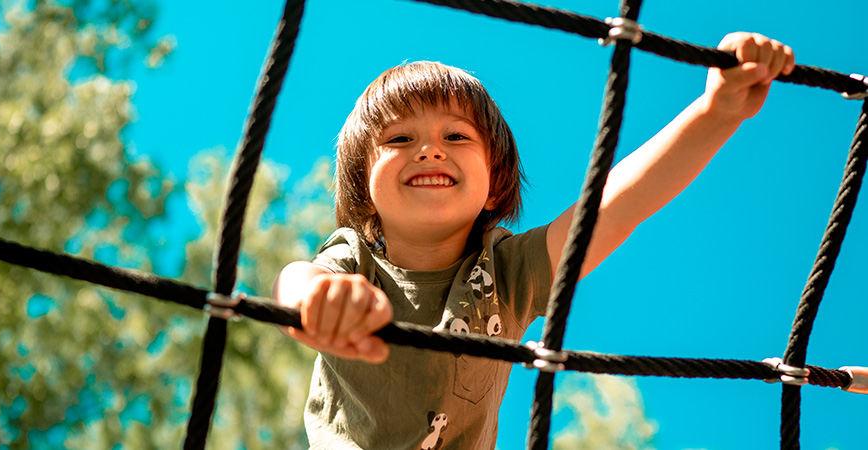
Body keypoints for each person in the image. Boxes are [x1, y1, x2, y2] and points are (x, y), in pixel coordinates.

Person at [265, 32, 795, 449]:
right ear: (364, 187)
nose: (429, 150)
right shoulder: (355, 260)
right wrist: (316, 299)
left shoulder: (507, 276)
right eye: (400, 139)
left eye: (456, 136)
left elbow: (620, 205)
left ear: (494, 181)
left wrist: (716, 112)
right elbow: (297, 277)